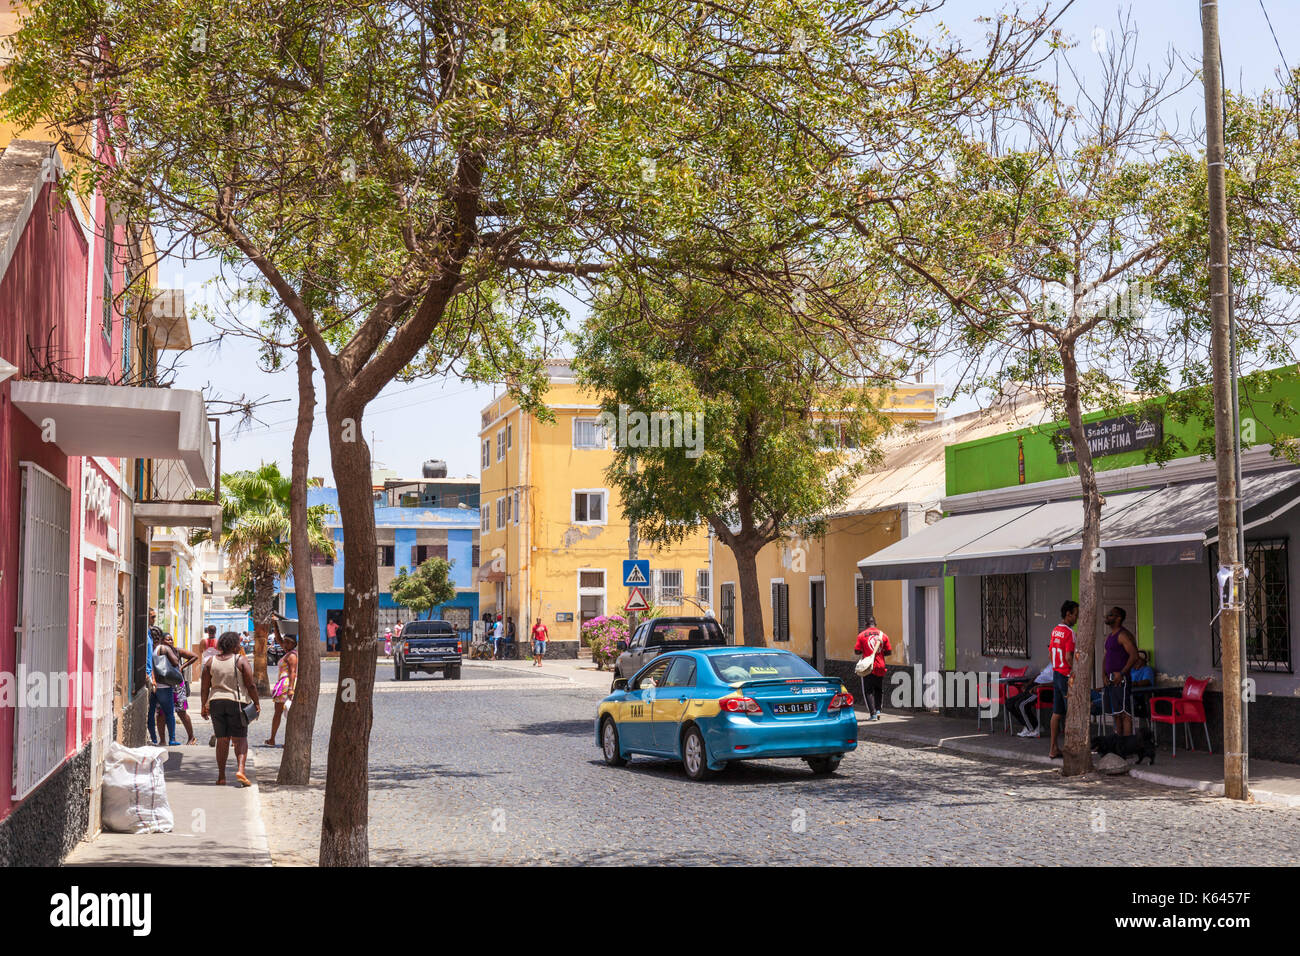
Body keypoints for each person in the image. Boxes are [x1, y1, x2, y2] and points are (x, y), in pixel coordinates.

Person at [201, 631, 260, 786]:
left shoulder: (210, 661)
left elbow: (204, 687)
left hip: (215, 703)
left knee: (222, 739)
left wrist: (203, 705)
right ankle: (241, 770)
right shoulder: (240, 660)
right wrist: (256, 703)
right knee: (240, 739)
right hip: (236, 703)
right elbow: (251, 685)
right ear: (234, 645)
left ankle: (221, 776)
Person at [153, 632, 198, 746]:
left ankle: (191, 737)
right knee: (161, 713)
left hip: (177, 685)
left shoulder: (177, 651)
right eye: (167, 640)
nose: (170, 641)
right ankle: (162, 740)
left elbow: (194, 656)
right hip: (165, 684)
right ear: (162, 641)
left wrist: (182, 667)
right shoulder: (160, 650)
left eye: (171, 639)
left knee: (181, 712)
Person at [1102, 606, 1140, 736]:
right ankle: (1119, 743)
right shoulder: (1109, 636)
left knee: (1124, 713)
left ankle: (1127, 744)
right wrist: (1103, 675)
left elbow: (1134, 655)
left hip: (1121, 679)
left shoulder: (1123, 635)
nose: (1107, 616)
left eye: (1111, 615)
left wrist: (1122, 673)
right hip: (1110, 679)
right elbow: (1106, 657)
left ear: (1119, 618)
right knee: (1116, 714)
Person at [1048, 600, 1079, 760]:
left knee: (1056, 712)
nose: (1077, 618)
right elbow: (1068, 657)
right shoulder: (1069, 633)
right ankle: (1070, 748)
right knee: (1071, 713)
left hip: (1056, 674)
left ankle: (1053, 748)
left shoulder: (1055, 630)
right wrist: (1076, 672)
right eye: (1075, 615)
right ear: (1068, 614)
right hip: (1067, 676)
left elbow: (1050, 654)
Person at [853, 617, 891, 721]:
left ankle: (873, 714)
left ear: (866, 624)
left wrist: (866, 651)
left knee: (868, 691)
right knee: (878, 689)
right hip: (880, 666)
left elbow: (856, 651)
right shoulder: (883, 635)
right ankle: (878, 711)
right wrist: (880, 653)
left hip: (868, 667)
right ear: (875, 624)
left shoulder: (861, 635)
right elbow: (888, 652)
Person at [265, 634, 298, 746]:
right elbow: (279, 640)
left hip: (286, 684)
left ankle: (286, 740)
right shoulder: (289, 653)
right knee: (279, 712)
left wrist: (291, 689)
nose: (285, 644)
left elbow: (293, 672)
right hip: (284, 684)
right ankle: (272, 739)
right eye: (285, 642)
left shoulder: (292, 656)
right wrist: (276, 626)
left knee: (284, 713)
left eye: (288, 642)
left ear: (293, 644)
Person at [1010, 662, 1054, 737]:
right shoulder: (1051, 663)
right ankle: (1029, 725)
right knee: (1009, 703)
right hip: (1034, 685)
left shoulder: (1061, 666)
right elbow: (1040, 674)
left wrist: (1041, 686)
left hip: (1043, 690)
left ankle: (1033, 729)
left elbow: (1056, 682)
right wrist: (1028, 684)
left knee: (1020, 705)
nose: (1050, 656)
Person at [145, 610, 160, 744]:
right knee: (150, 711)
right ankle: (152, 738)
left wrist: (153, 678)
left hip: (151, 677)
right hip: (147, 677)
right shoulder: (144, 633)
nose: (154, 619)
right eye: (152, 617)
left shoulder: (149, 632)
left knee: (153, 711)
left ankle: (154, 738)